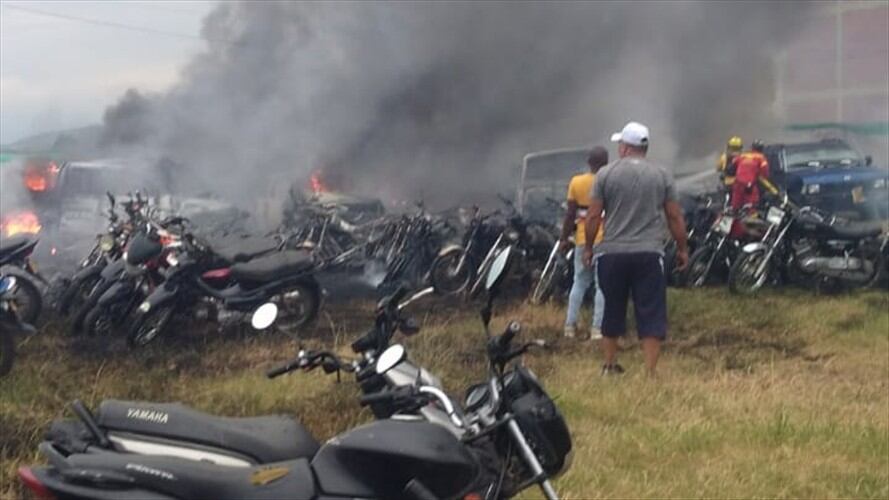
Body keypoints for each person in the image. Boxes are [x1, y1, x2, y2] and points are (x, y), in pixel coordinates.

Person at [583, 121, 688, 377]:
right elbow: (674, 215)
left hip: (612, 253)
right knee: (651, 310)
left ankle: (609, 365)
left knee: (613, 308)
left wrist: (588, 247)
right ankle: (650, 371)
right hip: (649, 254)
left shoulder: (605, 175)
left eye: (620, 143)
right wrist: (683, 248)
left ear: (625, 147)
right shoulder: (661, 175)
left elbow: (593, 215)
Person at [559, 146, 609, 340]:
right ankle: (597, 329)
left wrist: (564, 238)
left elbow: (570, 214)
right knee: (602, 285)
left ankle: (569, 326)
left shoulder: (576, 182)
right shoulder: (608, 181)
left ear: (588, 162)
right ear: (605, 163)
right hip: (605, 239)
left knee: (579, 282)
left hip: (582, 239)